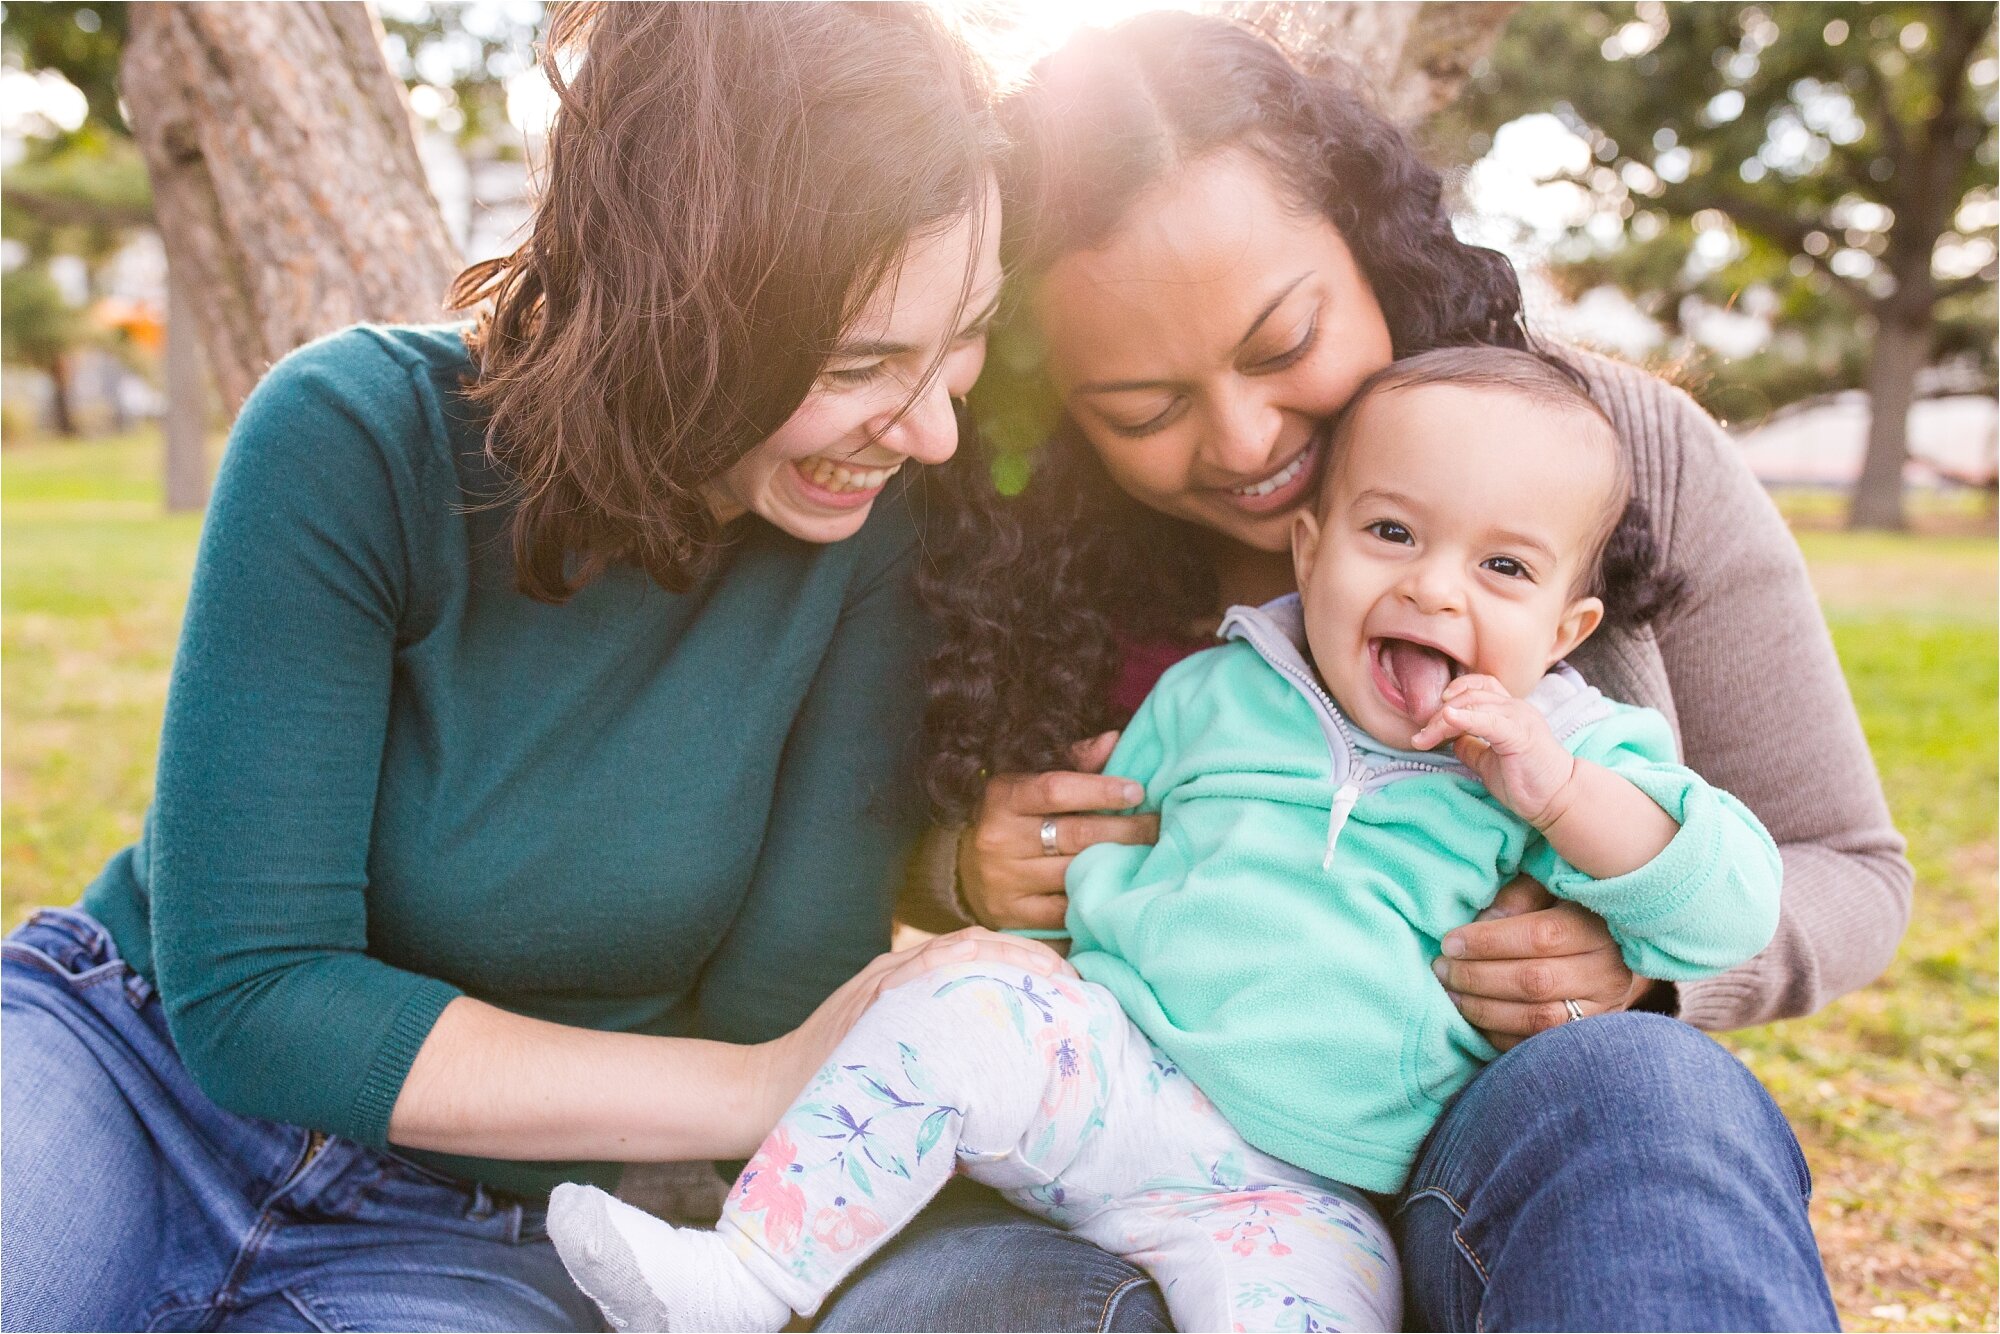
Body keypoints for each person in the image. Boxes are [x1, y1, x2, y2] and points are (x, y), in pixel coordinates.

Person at [826, 13, 1909, 1331]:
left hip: (1507, 1140)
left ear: (1372, 251)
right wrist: (961, 871)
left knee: (1647, 1094)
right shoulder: (997, 541)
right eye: (1145, 410)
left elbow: (1847, 863)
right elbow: (822, 845)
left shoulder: (1607, 450)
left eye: (1284, 345)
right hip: (1120, 1149)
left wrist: (1646, 971)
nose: (1243, 439)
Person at [0, 6, 1067, 1331]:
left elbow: (776, 999)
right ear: (678, 307)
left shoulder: (870, 543)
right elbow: (260, 993)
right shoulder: (354, 437)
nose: (934, 425)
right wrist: (744, 1088)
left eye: (963, 334)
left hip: (481, 1232)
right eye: (861, 363)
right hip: (133, 1076)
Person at [542, 347, 1786, 1334]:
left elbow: (1723, 912)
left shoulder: (1576, 753)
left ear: (1568, 626)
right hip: (1118, 1081)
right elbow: (1093, 859)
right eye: (1391, 534)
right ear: (1310, 548)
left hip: (1315, 1188)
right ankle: (744, 1273)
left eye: (1501, 567)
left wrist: (1560, 793)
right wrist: (1001, 879)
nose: (1434, 589)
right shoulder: (1216, 691)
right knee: (965, 994)